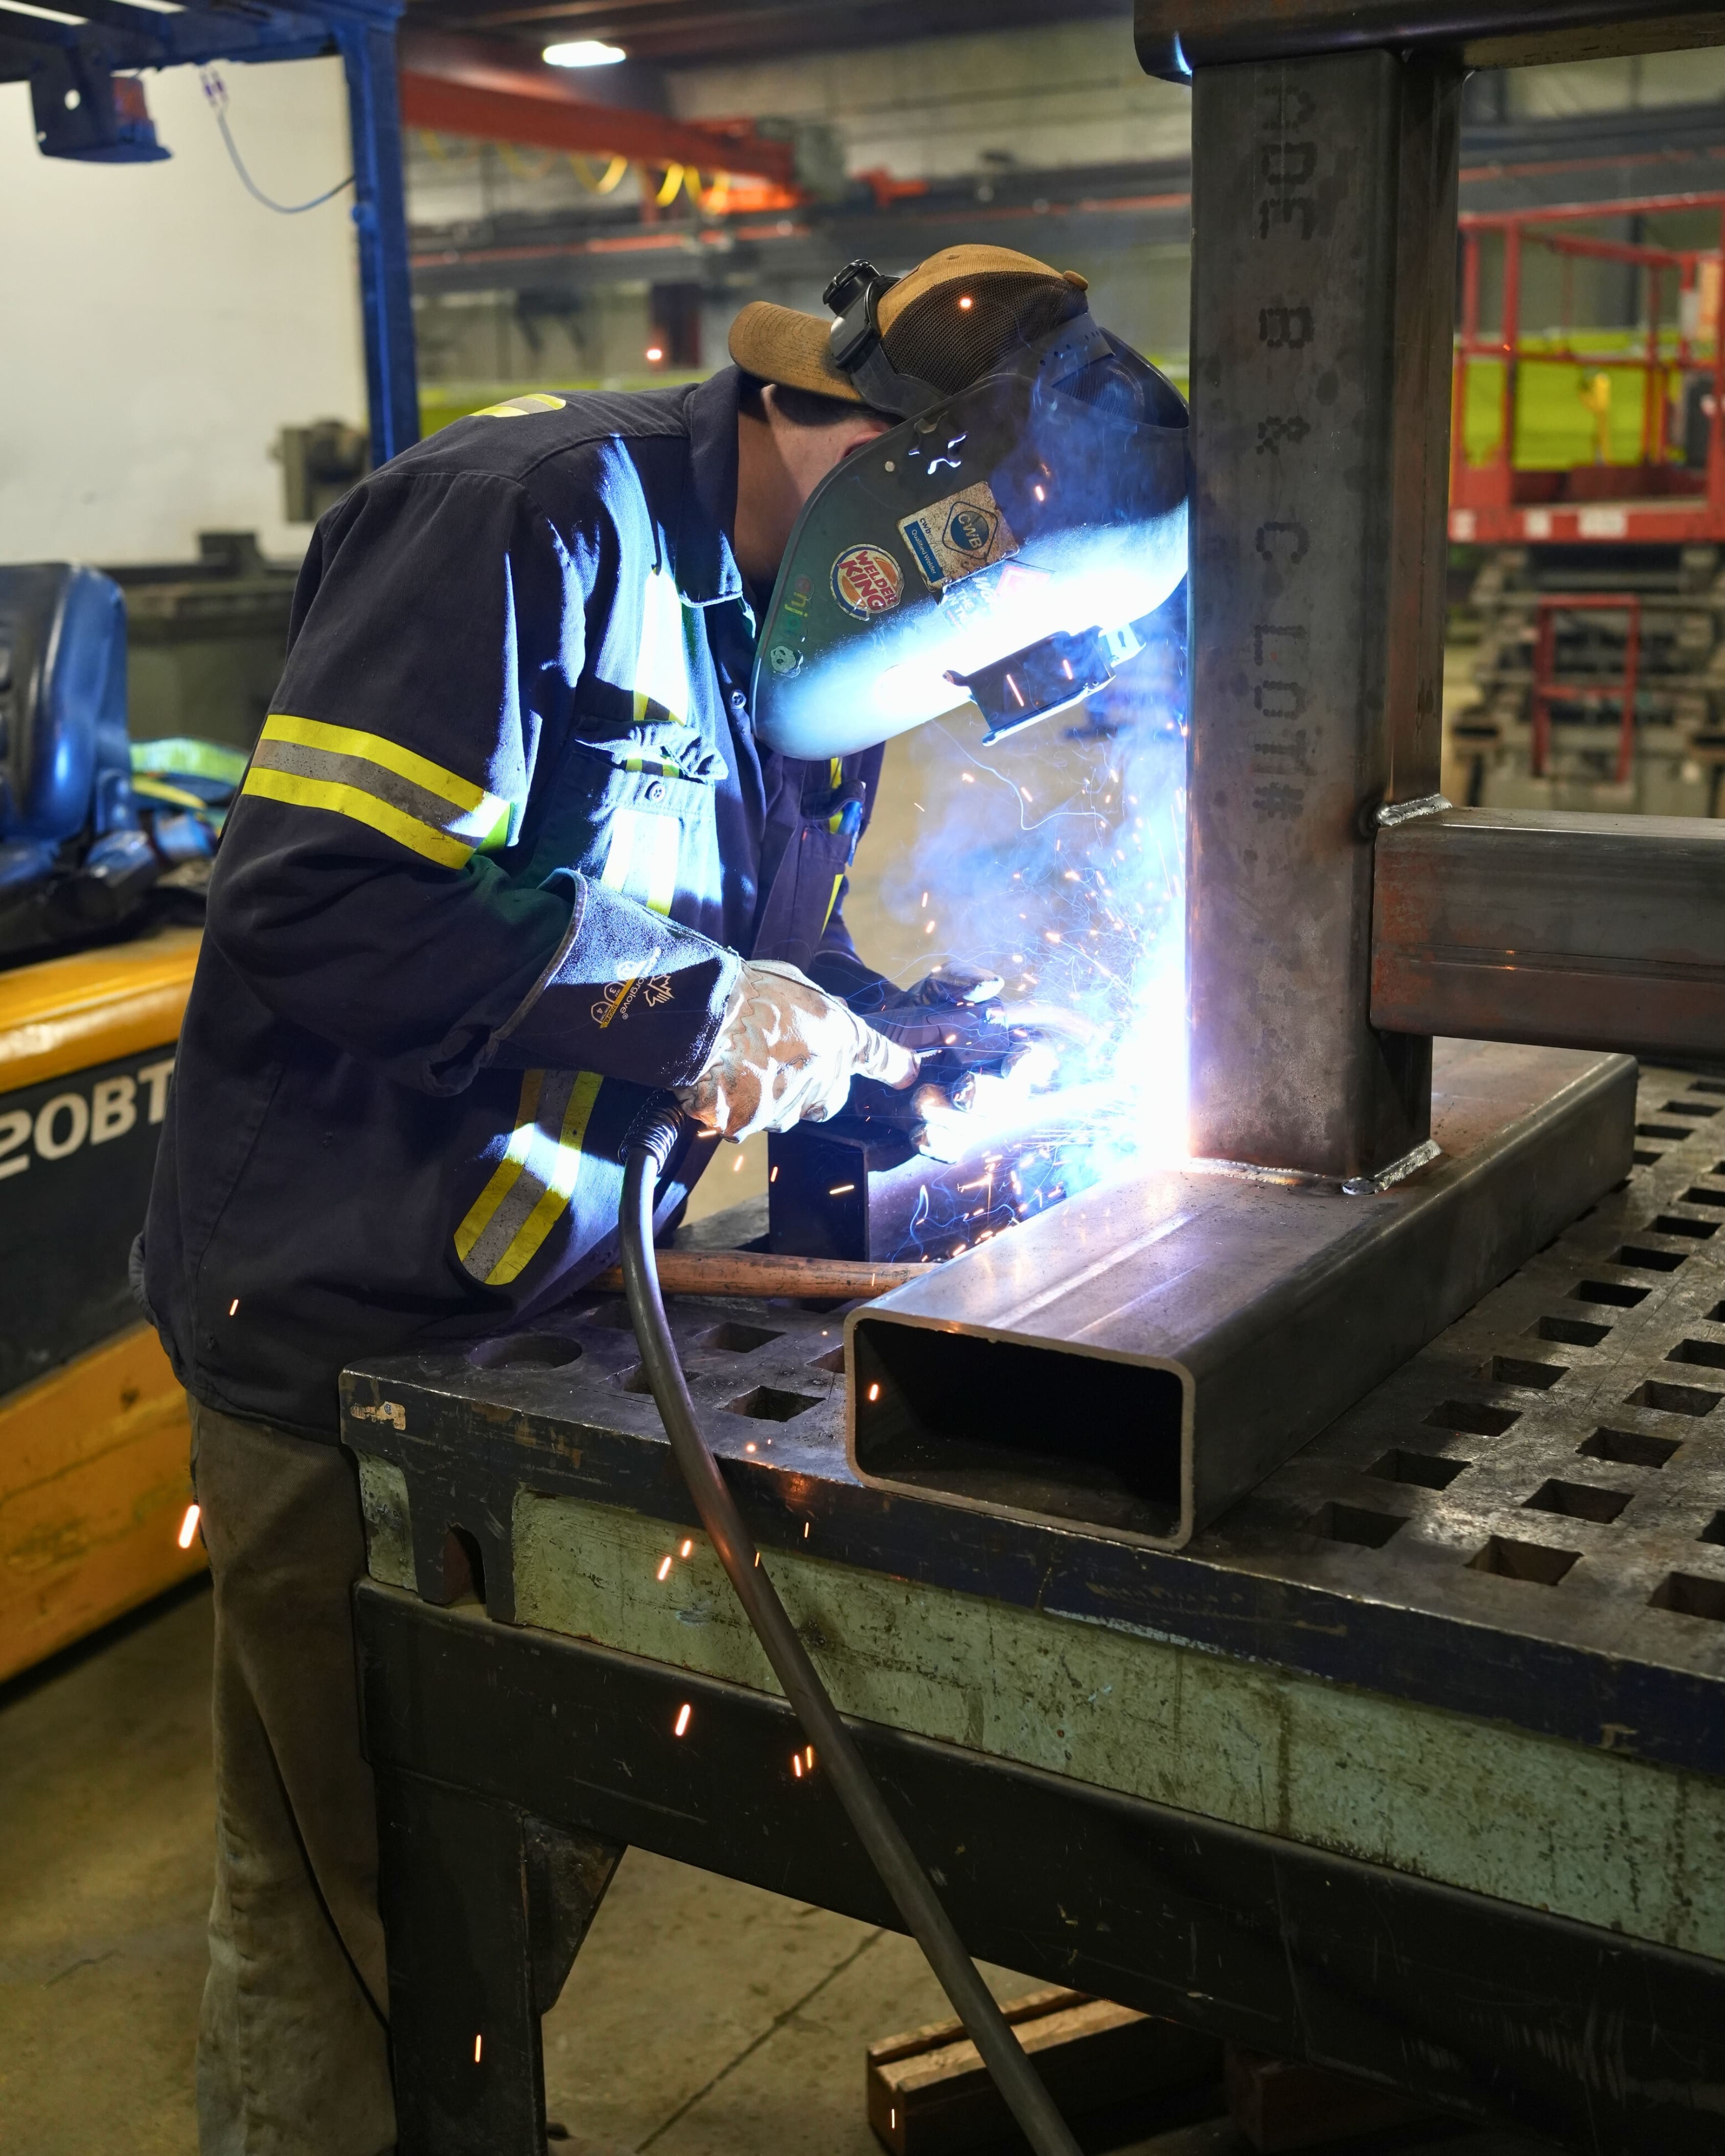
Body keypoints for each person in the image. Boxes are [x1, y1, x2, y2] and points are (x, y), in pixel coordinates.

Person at [137, 243, 1127, 2156]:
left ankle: (451, 2109)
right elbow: (317, 898)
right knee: (347, 1905)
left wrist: (908, 1034)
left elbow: (748, 946)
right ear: (866, 465)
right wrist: (697, 1007)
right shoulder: (521, 523)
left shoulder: (787, 624)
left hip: (552, 1307)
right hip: (343, 1313)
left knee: (507, 1836)